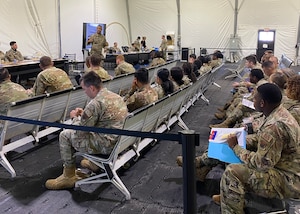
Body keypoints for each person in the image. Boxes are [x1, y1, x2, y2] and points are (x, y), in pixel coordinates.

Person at [213, 83, 300, 213]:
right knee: (235, 147)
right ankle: (230, 195)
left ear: (262, 103)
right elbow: (260, 138)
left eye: (255, 99)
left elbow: (261, 164)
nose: (253, 101)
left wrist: (236, 147)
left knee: (232, 172)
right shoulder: (278, 113)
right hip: (287, 169)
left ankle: (231, 204)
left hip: (289, 181)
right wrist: (241, 139)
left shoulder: (274, 127)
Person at [45, 71, 128, 190]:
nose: (84, 92)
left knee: (65, 135)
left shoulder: (95, 103)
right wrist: (84, 114)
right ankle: (94, 164)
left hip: (106, 146)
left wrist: (74, 117)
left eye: (85, 89)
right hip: (119, 142)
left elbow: (79, 132)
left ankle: (68, 176)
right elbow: (103, 120)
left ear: (92, 88)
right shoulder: (116, 97)